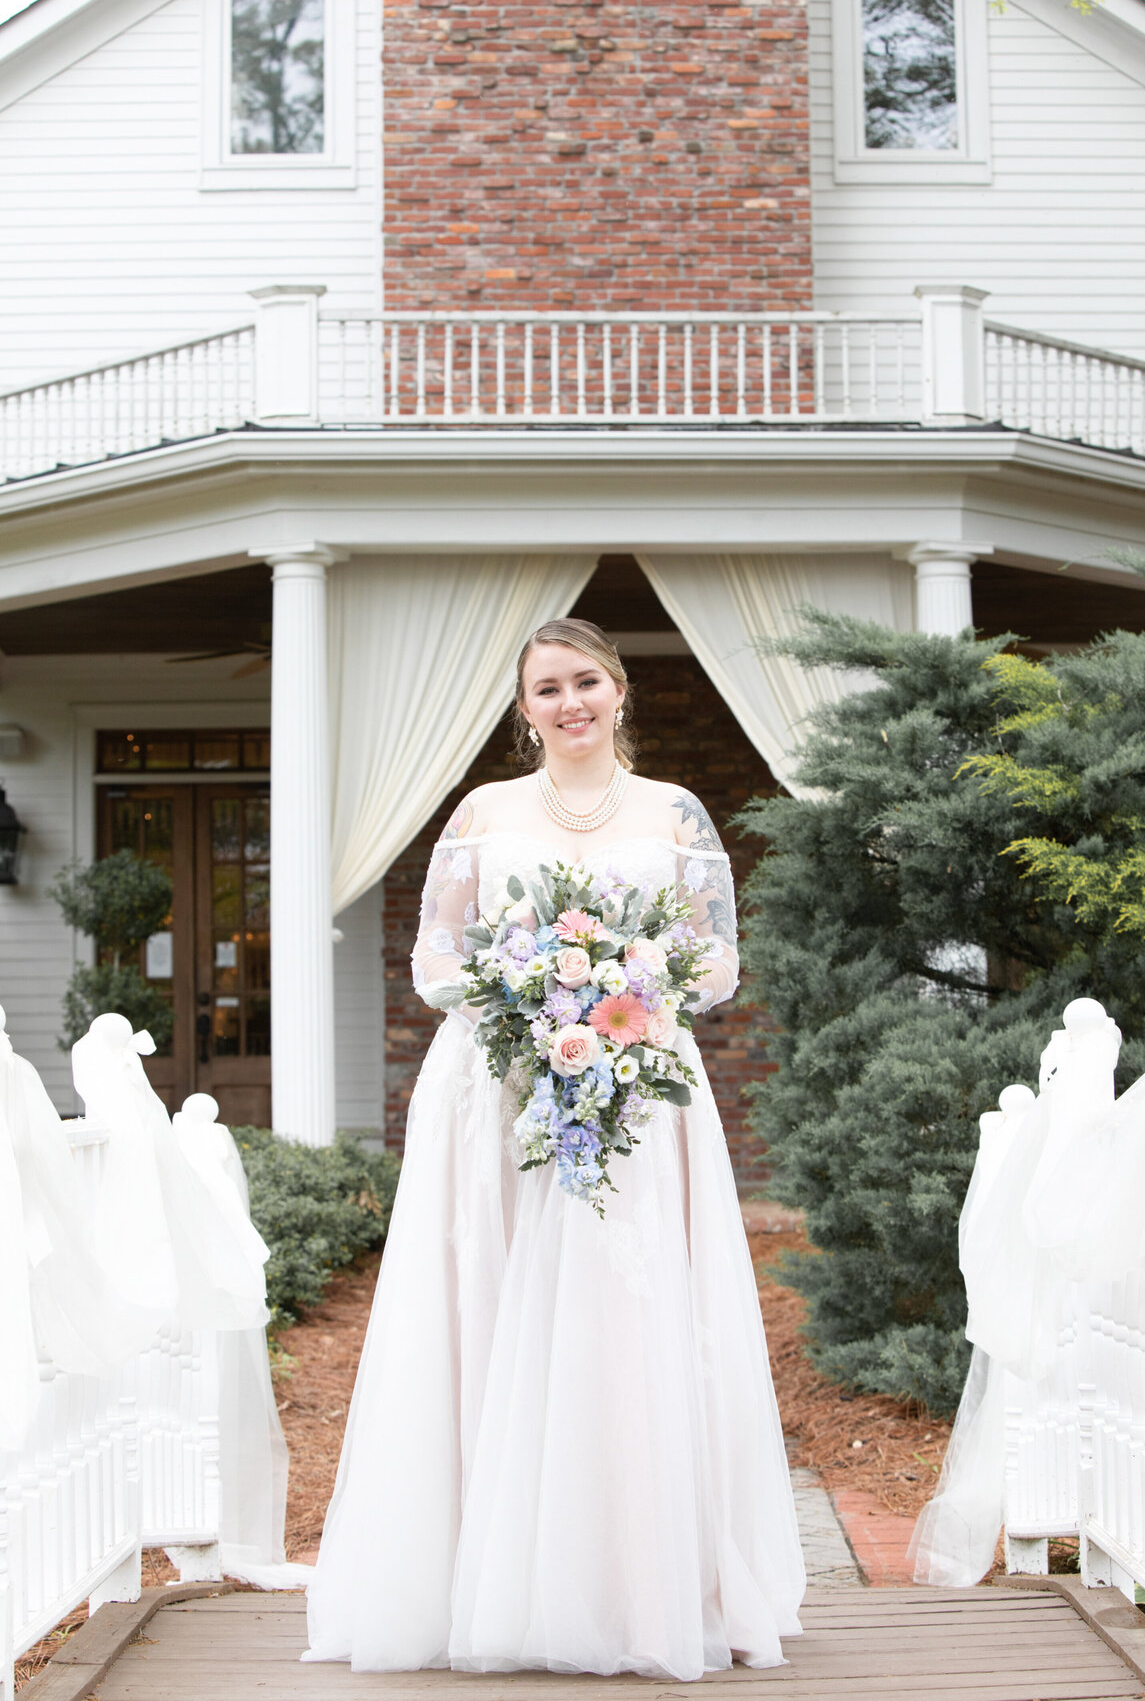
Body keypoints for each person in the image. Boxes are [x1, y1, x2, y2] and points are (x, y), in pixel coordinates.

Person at [303, 618, 805, 1681]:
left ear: (620, 691)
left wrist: (633, 978)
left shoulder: (672, 811)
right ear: (523, 711)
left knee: (626, 1314)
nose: (569, 702)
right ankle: (486, 1583)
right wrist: (521, 992)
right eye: (547, 689)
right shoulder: (485, 813)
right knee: (490, 1306)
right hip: (495, 1092)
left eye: (586, 681)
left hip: (638, 1091)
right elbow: (434, 955)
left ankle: (639, 1590)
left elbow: (717, 961)